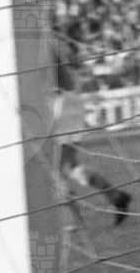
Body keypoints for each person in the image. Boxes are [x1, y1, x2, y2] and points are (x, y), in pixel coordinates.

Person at [54, 57, 130, 226]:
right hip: (66, 110)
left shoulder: (46, 52)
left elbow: (64, 78)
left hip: (64, 112)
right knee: (72, 169)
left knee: (58, 172)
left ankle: (74, 219)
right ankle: (117, 197)